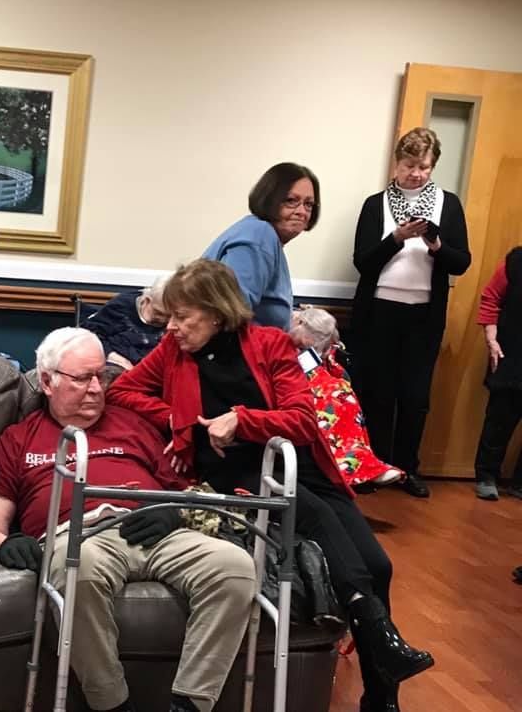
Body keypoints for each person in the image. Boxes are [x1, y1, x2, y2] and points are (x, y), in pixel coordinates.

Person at [108, 259, 433, 712]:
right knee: (309, 512)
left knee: (378, 566)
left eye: (184, 316)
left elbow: (301, 419)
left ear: (217, 313)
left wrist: (243, 420)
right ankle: (385, 656)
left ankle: (380, 692)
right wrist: (179, 421)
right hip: (237, 475)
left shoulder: (270, 344)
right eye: (172, 316)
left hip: (296, 465)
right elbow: (121, 389)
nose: (173, 327)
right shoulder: (173, 352)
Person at [0, 327, 257, 712]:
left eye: (102, 376)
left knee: (235, 567)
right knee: (82, 568)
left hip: (151, 528)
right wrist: (6, 542)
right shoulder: (19, 439)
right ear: (47, 381)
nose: (96, 388)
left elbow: (185, 489)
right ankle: (111, 704)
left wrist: (173, 512)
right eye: (82, 378)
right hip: (78, 537)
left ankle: (192, 704)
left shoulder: (133, 423)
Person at [351, 127, 470, 499]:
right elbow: (362, 263)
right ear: (396, 163)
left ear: (433, 166)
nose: (415, 173)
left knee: (415, 397)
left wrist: (435, 244)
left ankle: (407, 469)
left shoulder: (448, 205)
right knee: (377, 393)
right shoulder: (375, 204)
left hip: (423, 316)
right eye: (409, 165)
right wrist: (396, 239)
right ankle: (377, 467)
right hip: (379, 313)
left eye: (424, 166)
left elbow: (462, 262)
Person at [290, 307, 402, 490]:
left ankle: (362, 461)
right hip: (287, 373)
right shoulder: (284, 327)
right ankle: (352, 465)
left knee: (340, 389)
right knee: (330, 393)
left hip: (313, 371)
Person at [202, 162, 320, 330]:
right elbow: (231, 318)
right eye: (291, 201)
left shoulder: (262, 234)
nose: (302, 211)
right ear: (269, 199)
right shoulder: (260, 235)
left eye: (308, 204)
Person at [474, 246, 522, 501]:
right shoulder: (515, 262)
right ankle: (486, 476)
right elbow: (491, 298)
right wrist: (492, 341)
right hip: (510, 353)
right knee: (499, 420)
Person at [81, 275, 170, 369]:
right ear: (147, 300)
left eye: (169, 316)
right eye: (158, 313)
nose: (164, 319)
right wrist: (117, 359)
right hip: (116, 365)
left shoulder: (176, 322)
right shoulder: (122, 306)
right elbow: (92, 336)